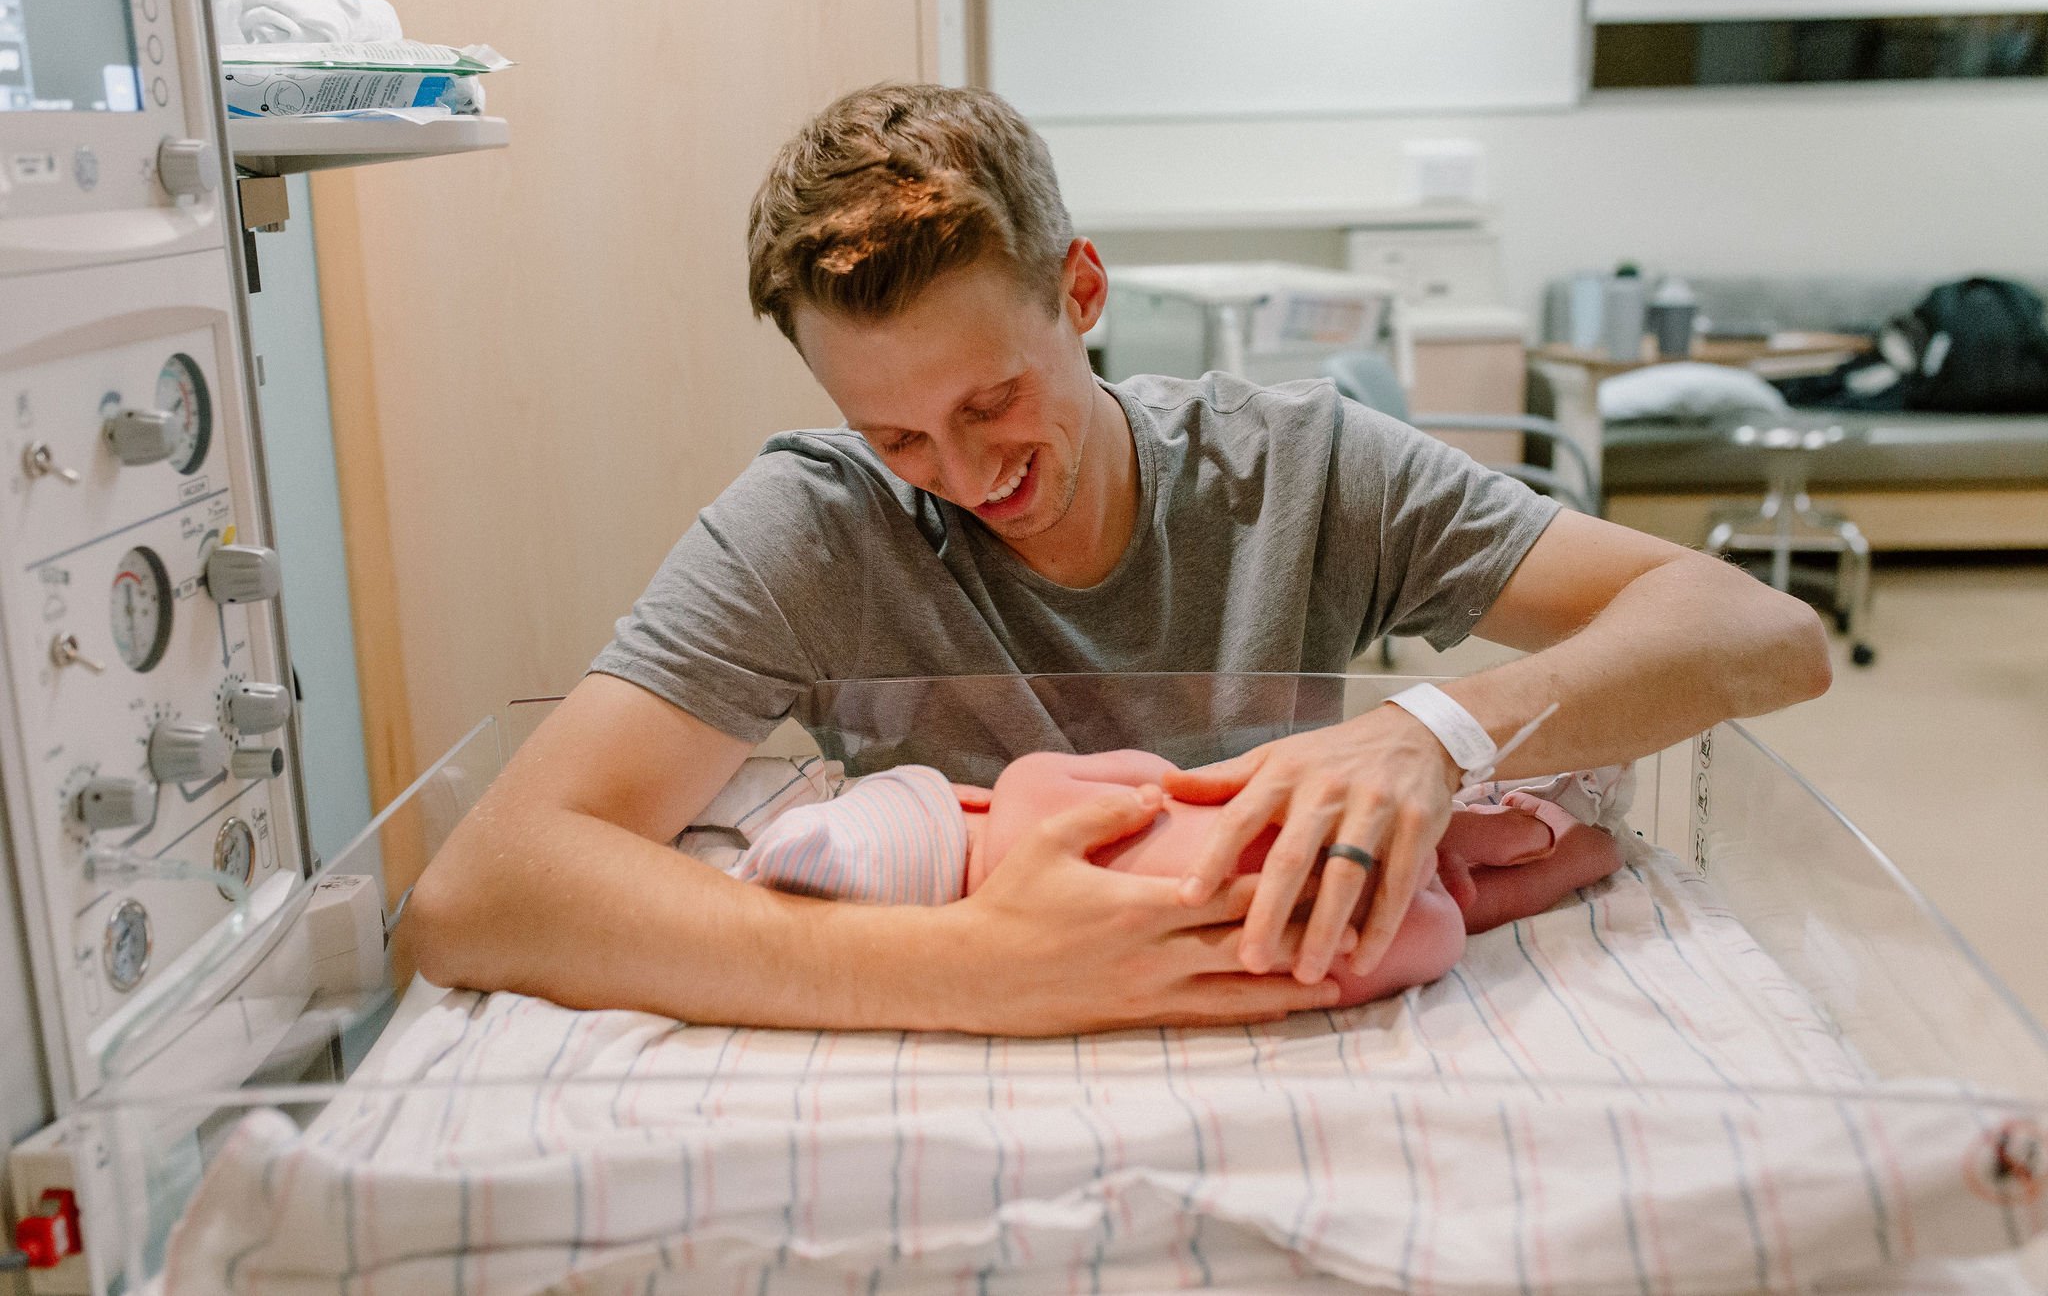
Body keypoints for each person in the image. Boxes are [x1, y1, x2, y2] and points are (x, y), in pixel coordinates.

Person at [408, 83, 1831, 1035]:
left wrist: (1434, 731)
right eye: (896, 433)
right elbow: (482, 894)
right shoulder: (819, 527)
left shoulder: (1299, 473)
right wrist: (970, 969)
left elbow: (1761, 632)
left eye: (991, 401)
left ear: (1079, 291)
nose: (966, 475)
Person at [721, 748, 1629, 1008]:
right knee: (1448, 838)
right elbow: (1172, 777)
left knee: (1462, 911)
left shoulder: (1018, 926)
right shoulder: (1029, 783)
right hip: (1321, 829)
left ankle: (1575, 862)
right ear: (957, 797)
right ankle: (1558, 834)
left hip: (1320, 931)